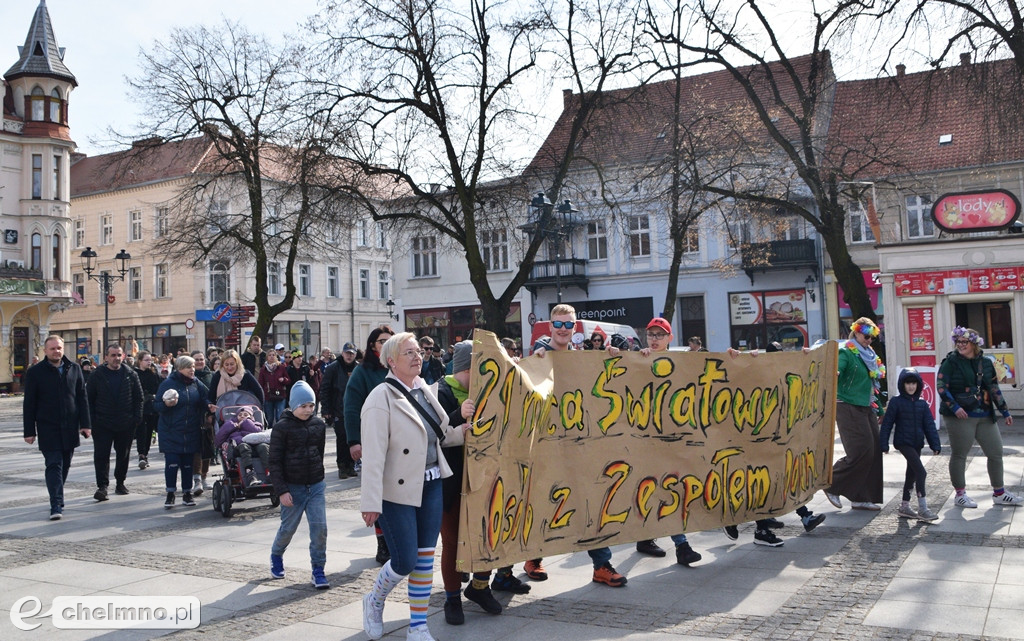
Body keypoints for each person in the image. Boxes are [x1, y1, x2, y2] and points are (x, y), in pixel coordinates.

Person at [359, 333, 468, 641]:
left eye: (418, 351)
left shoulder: (424, 388)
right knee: (405, 560)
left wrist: (464, 431)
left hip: (432, 485)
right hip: (396, 492)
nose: (417, 356)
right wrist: (370, 502)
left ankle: (418, 626)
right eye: (409, 352)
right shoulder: (380, 398)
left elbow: (440, 435)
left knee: (424, 558)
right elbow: (374, 455)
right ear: (391, 361)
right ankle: (375, 599)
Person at [527, 304, 627, 587]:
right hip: (546, 447)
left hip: (580, 446)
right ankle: (531, 556)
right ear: (550, 327)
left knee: (589, 502)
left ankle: (601, 564)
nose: (562, 330)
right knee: (543, 502)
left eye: (568, 325)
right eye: (558, 325)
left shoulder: (583, 359)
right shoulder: (538, 357)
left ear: (574, 329)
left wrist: (612, 360)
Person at [438, 340, 527, 626]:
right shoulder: (439, 391)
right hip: (451, 484)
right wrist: (457, 415)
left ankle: (479, 586)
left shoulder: (489, 392)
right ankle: (452, 599)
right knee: (452, 543)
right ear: (469, 367)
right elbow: (431, 435)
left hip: (485, 480)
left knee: (489, 535)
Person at [720, 342, 827, 544]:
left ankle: (798, 518)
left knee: (783, 479)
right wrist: (733, 357)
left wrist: (808, 360)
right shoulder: (756, 374)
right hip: (754, 440)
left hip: (776, 440)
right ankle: (741, 522)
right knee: (757, 484)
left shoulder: (785, 376)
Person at [633, 318, 705, 562]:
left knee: (669, 488)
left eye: (659, 335)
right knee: (661, 488)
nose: (654, 339)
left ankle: (654, 539)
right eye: (650, 334)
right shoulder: (638, 359)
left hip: (672, 440)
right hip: (645, 441)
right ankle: (680, 545)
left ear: (669, 338)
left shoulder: (682, 363)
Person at [937, 326, 1020, 507]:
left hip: (984, 414)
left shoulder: (986, 362)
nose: (960, 345)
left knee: (996, 452)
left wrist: (1005, 411)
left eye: (964, 342)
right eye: (958, 342)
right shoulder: (950, 362)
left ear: (973, 343)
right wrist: (955, 407)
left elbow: (994, 388)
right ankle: (960, 494)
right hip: (960, 415)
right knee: (960, 454)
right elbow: (941, 386)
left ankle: (999, 493)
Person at [269, 380, 330, 589]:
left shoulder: (318, 425)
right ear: (293, 406)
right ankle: (276, 555)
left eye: (311, 406)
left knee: (320, 528)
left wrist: (317, 475)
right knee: (288, 528)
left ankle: (318, 570)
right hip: (292, 487)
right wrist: (282, 491)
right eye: (303, 406)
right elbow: (274, 462)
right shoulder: (281, 428)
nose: (308, 410)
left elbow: (319, 452)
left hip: (315, 485)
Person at [23, 336, 91, 520]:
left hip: (70, 426)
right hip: (48, 427)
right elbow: (29, 403)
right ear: (45, 351)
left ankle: (57, 497)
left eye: (59, 348)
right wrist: (29, 431)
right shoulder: (36, 372)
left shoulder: (74, 368)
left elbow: (82, 398)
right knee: (54, 464)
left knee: (65, 465)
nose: (56, 351)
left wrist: (86, 424)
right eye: (52, 348)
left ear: (63, 349)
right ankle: (56, 504)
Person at [345, 325, 395, 564]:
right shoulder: (363, 372)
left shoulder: (399, 368)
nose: (386, 344)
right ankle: (382, 543)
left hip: (399, 442)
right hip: (373, 439)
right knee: (378, 494)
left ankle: (397, 540)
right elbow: (352, 408)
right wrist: (354, 441)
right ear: (373, 345)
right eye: (382, 341)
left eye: (390, 340)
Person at [824, 317, 885, 511]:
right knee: (861, 449)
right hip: (847, 404)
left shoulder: (870, 354)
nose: (869, 340)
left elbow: (872, 384)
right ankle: (831, 484)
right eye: (866, 336)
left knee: (874, 450)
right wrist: (836, 373)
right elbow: (837, 369)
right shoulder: (846, 352)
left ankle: (861, 496)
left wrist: (879, 407)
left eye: (872, 337)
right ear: (856, 332)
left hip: (866, 405)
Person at [880, 368, 941, 520]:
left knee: (911, 474)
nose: (911, 386)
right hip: (903, 442)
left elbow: (929, 426)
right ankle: (923, 508)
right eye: (908, 383)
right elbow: (887, 424)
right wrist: (884, 444)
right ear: (902, 385)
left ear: (919, 385)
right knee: (921, 472)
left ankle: (905, 506)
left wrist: (935, 444)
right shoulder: (896, 402)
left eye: (914, 383)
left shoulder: (922, 404)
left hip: (917, 443)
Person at [155, 355, 215, 509]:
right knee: (172, 463)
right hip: (171, 431)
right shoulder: (169, 383)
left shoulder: (196, 383)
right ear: (180, 368)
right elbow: (156, 406)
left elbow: (204, 398)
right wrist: (166, 404)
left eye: (193, 367)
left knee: (188, 464)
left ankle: (187, 493)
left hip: (191, 430)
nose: (192, 370)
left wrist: (209, 406)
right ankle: (170, 494)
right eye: (189, 367)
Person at [87, 344, 144, 501]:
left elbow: (138, 398)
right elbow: (89, 399)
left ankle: (120, 482)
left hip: (125, 422)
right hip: (102, 423)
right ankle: (102, 486)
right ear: (106, 357)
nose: (116, 358)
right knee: (101, 455)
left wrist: (136, 418)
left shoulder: (130, 374)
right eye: (112, 355)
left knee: (123, 454)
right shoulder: (97, 374)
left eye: (119, 355)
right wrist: (91, 420)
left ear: (123, 356)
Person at [321, 342, 358, 479]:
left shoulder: (358, 369)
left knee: (353, 438)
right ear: (342, 353)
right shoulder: (333, 368)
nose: (349, 356)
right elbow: (325, 390)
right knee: (342, 438)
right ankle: (342, 466)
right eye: (347, 353)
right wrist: (326, 410)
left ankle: (351, 465)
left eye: (352, 354)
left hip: (354, 411)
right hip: (338, 410)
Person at [215, 406, 269, 487]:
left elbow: (257, 431)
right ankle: (250, 474)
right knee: (244, 447)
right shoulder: (230, 424)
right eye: (240, 414)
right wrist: (233, 426)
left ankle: (269, 473)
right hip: (238, 447)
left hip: (255, 445)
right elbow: (218, 440)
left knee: (264, 447)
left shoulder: (256, 424)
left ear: (251, 417)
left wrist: (245, 422)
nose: (242, 416)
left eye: (245, 414)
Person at [135, 351, 161, 470]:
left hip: (151, 406)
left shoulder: (153, 373)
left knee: (149, 432)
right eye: (146, 360)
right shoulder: (135, 373)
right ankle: (141, 454)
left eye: (150, 360)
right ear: (140, 361)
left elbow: (158, 387)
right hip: (140, 407)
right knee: (141, 431)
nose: (149, 362)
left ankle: (145, 454)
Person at [259, 350, 290, 424]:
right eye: (270, 355)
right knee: (269, 418)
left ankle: (280, 432)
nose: (272, 357)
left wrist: (283, 380)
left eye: (273, 355)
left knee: (280, 417)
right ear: (267, 357)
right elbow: (260, 383)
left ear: (276, 357)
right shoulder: (263, 369)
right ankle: (269, 433)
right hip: (268, 396)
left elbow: (288, 380)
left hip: (280, 395)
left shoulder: (281, 367)